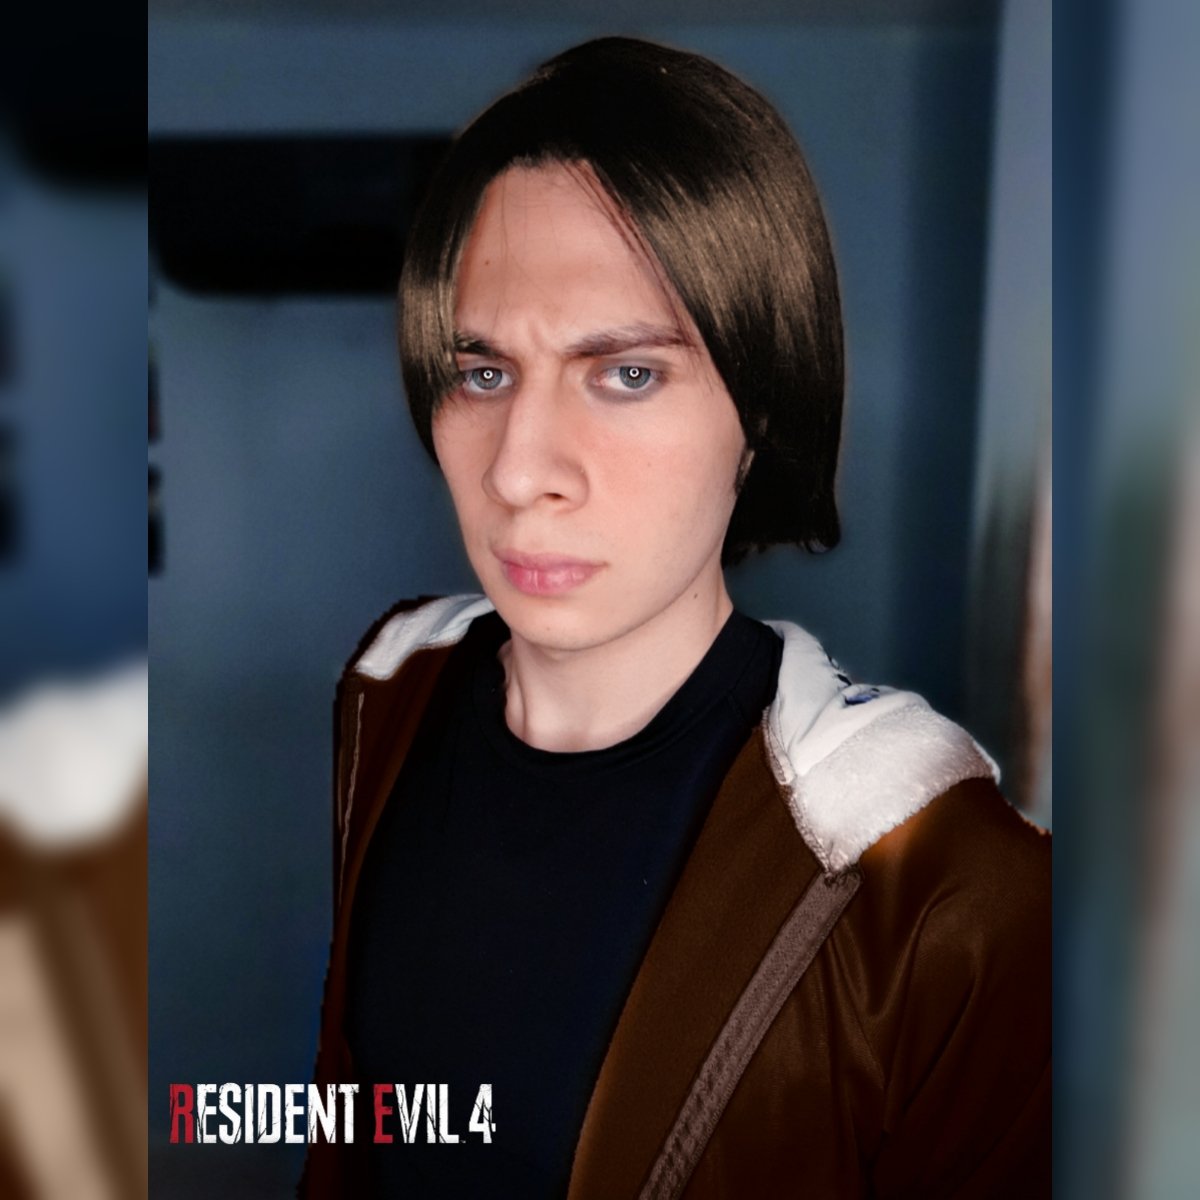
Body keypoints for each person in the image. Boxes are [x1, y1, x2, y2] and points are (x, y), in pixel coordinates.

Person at [302, 36, 1049, 1199]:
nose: (519, 471)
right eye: (484, 373)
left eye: (628, 374)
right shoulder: (391, 687)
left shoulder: (948, 887)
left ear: (761, 410)